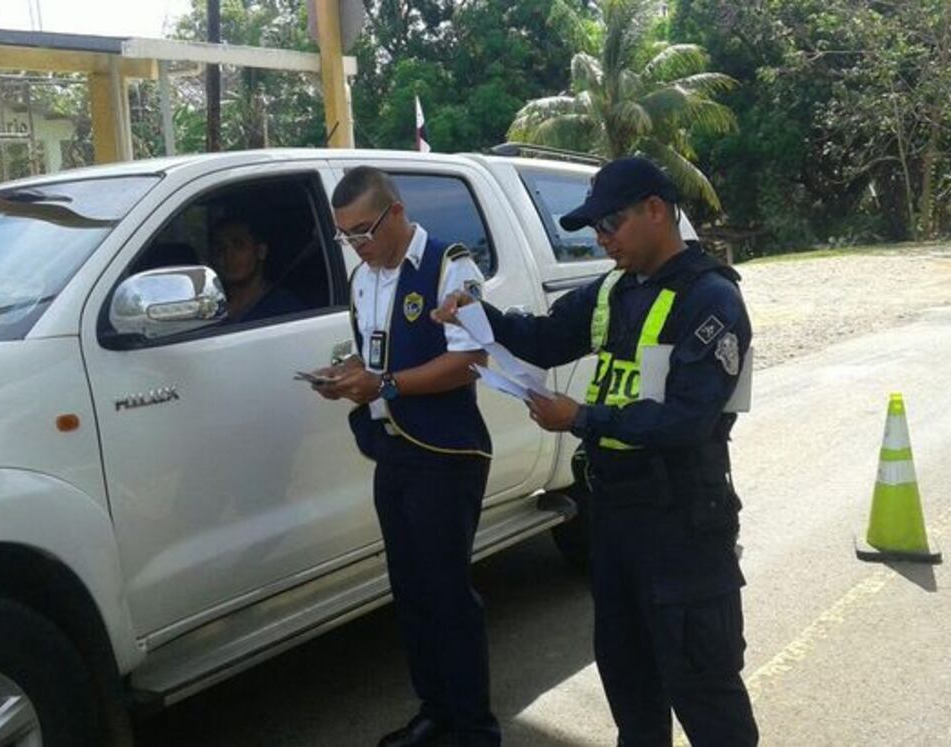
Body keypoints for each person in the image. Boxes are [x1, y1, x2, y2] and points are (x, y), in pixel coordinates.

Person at [434, 157, 759, 747]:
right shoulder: (613, 288)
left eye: (611, 223)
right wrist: (478, 315)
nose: (601, 238)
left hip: (682, 521)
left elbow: (688, 419)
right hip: (613, 517)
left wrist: (579, 417)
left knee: (704, 687)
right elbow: (545, 338)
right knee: (630, 682)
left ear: (656, 211)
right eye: (595, 229)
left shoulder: (710, 299)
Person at [311, 166, 499, 747]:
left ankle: (474, 728)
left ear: (395, 213)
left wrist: (385, 384)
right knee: (411, 593)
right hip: (391, 450)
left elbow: (471, 360)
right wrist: (347, 378)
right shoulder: (363, 278)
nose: (356, 247)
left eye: (362, 232)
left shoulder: (449, 265)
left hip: (444, 453)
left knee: (448, 596)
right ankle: (435, 711)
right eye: (345, 237)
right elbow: (375, 356)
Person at [211, 216, 305, 323]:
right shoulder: (210, 308)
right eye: (220, 248)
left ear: (261, 251)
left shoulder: (285, 310)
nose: (228, 256)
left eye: (238, 246)